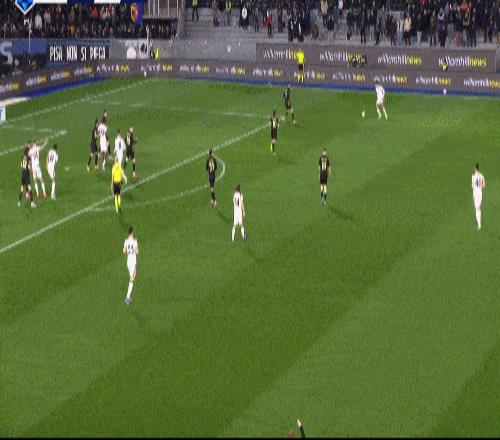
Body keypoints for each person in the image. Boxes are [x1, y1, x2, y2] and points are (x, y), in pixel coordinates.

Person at [123, 227, 139, 305]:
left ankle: (128, 297)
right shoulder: (134, 241)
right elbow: (137, 252)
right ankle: (127, 297)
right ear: (132, 233)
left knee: (131, 278)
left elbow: (124, 251)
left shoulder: (126, 241)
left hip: (128, 261)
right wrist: (134, 251)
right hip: (133, 261)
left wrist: (129, 252)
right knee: (132, 279)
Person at [472, 163, 485, 230]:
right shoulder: (482, 176)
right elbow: (484, 185)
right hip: (480, 193)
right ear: (479, 168)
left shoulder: (473, 176)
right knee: (478, 208)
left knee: (476, 208)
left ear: (475, 169)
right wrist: (480, 186)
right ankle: (479, 225)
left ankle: (479, 225)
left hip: (475, 193)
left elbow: (472, 186)